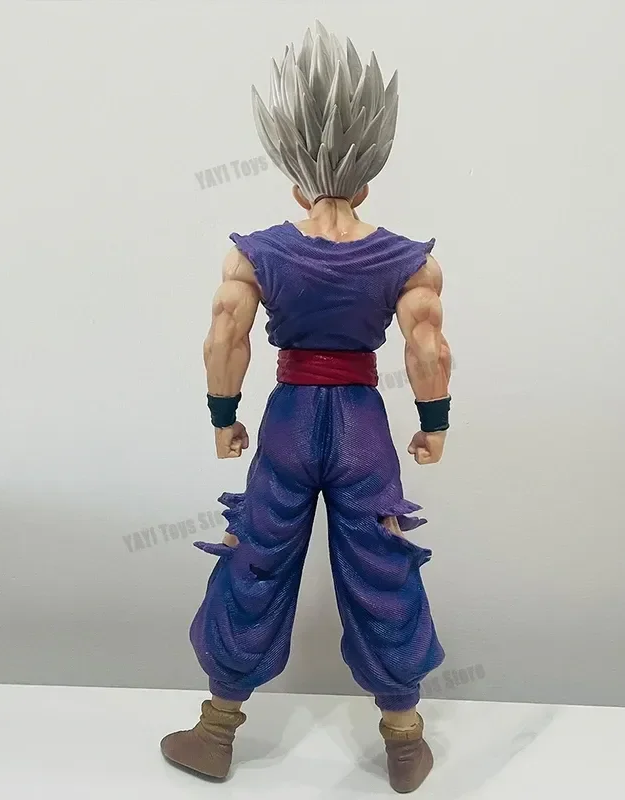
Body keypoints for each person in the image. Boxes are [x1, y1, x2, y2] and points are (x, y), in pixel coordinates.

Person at [161, 21, 452, 794]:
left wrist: (223, 415)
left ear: (293, 176)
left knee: (256, 554)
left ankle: (217, 730)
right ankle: (404, 737)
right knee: (381, 560)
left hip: (290, 421)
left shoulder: (255, 252)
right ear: (369, 178)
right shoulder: (409, 261)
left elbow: (225, 333)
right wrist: (434, 425)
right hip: (362, 424)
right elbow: (428, 351)